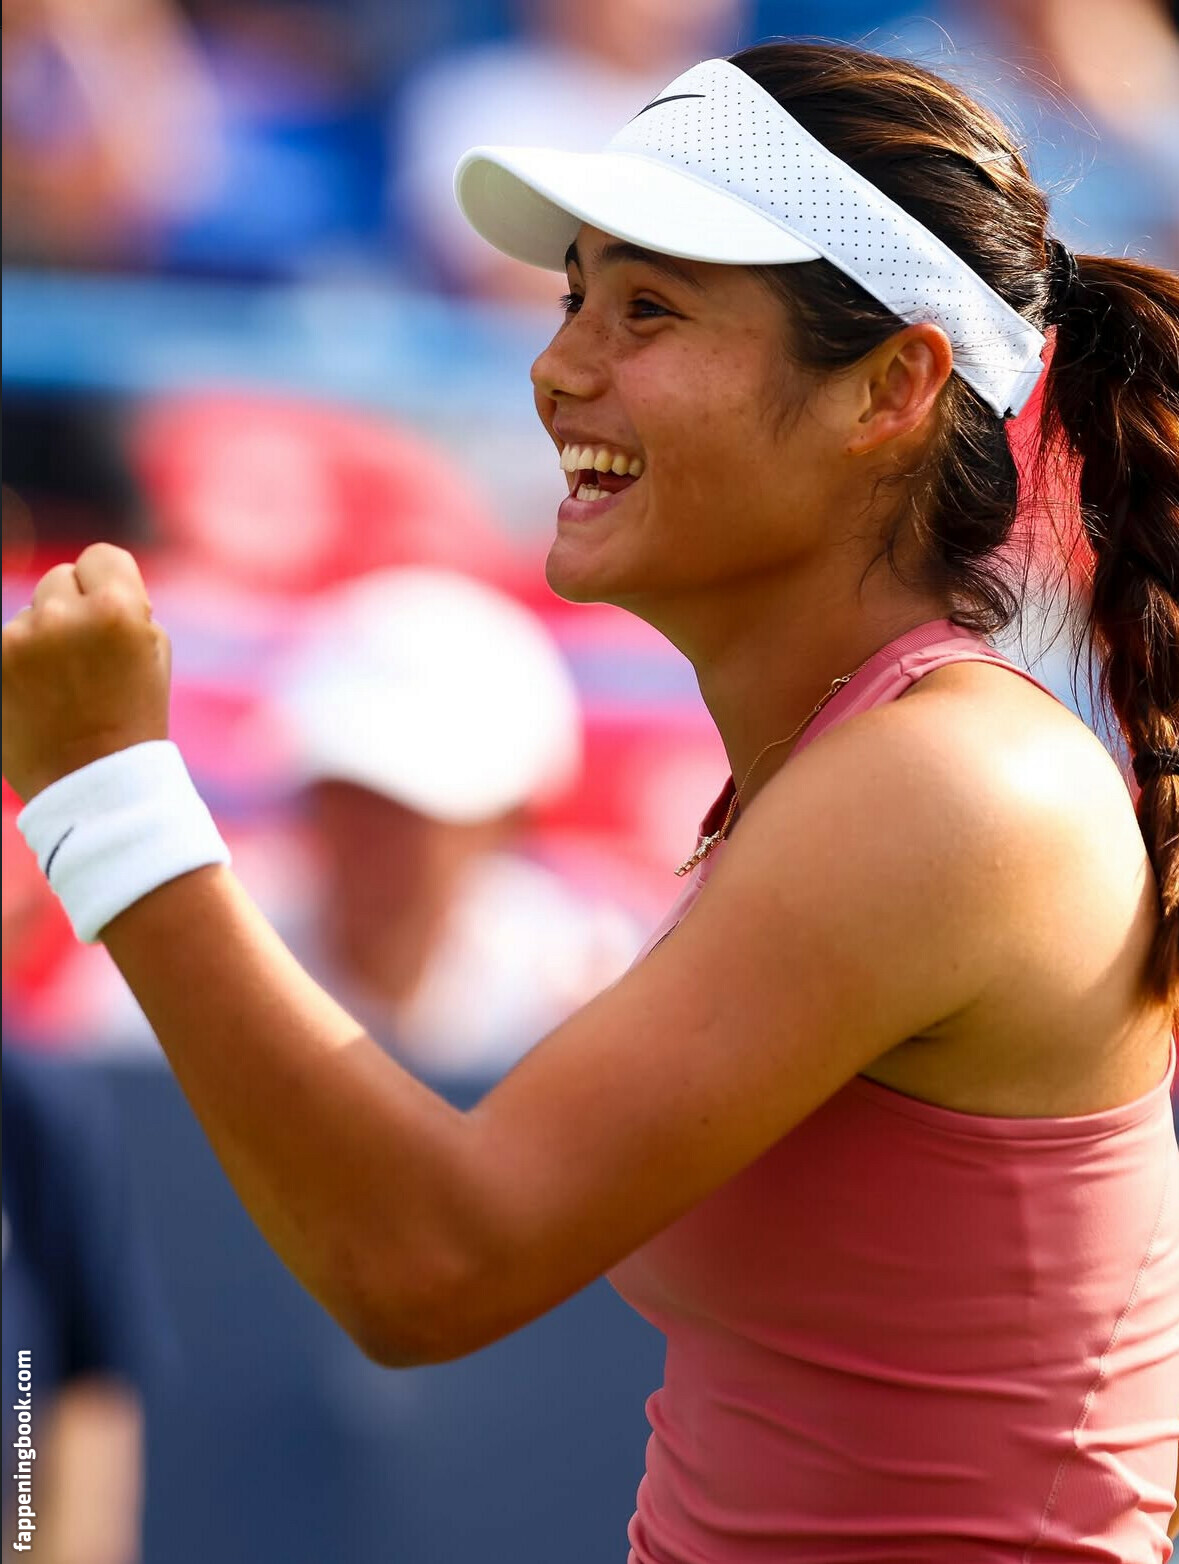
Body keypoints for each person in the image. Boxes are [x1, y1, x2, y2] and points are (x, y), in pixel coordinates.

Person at [3, 37, 1178, 1562]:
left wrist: (111, 796)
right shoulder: (863, 771)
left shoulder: (947, 787)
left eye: (649, 310)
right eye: (572, 299)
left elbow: (424, 1261)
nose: (557, 367)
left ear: (890, 386)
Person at [270, 565, 643, 1077]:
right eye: (346, 793)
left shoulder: (581, 976)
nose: (371, 835)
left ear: (508, 820)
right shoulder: (225, 952)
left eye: (411, 808)